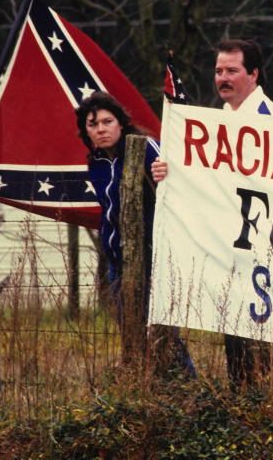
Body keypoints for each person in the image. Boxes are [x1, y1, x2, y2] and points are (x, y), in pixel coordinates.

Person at [152, 38, 273, 384]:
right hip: (231, 249)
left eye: (232, 71)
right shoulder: (221, 118)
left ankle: (263, 411)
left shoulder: (268, 119)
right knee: (236, 343)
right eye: (218, 71)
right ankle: (243, 411)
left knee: (258, 348)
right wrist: (170, 173)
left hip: (260, 250)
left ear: (253, 75)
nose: (223, 78)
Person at [76, 91, 194, 377]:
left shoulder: (146, 148)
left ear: (121, 122)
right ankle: (145, 386)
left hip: (151, 256)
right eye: (93, 125)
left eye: (107, 121)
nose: (101, 129)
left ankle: (187, 387)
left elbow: (180, 178)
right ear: (86, 130)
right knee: (131, 330)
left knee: (162, 331)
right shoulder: (96, 161)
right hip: (118, 259)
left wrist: (168, 172)